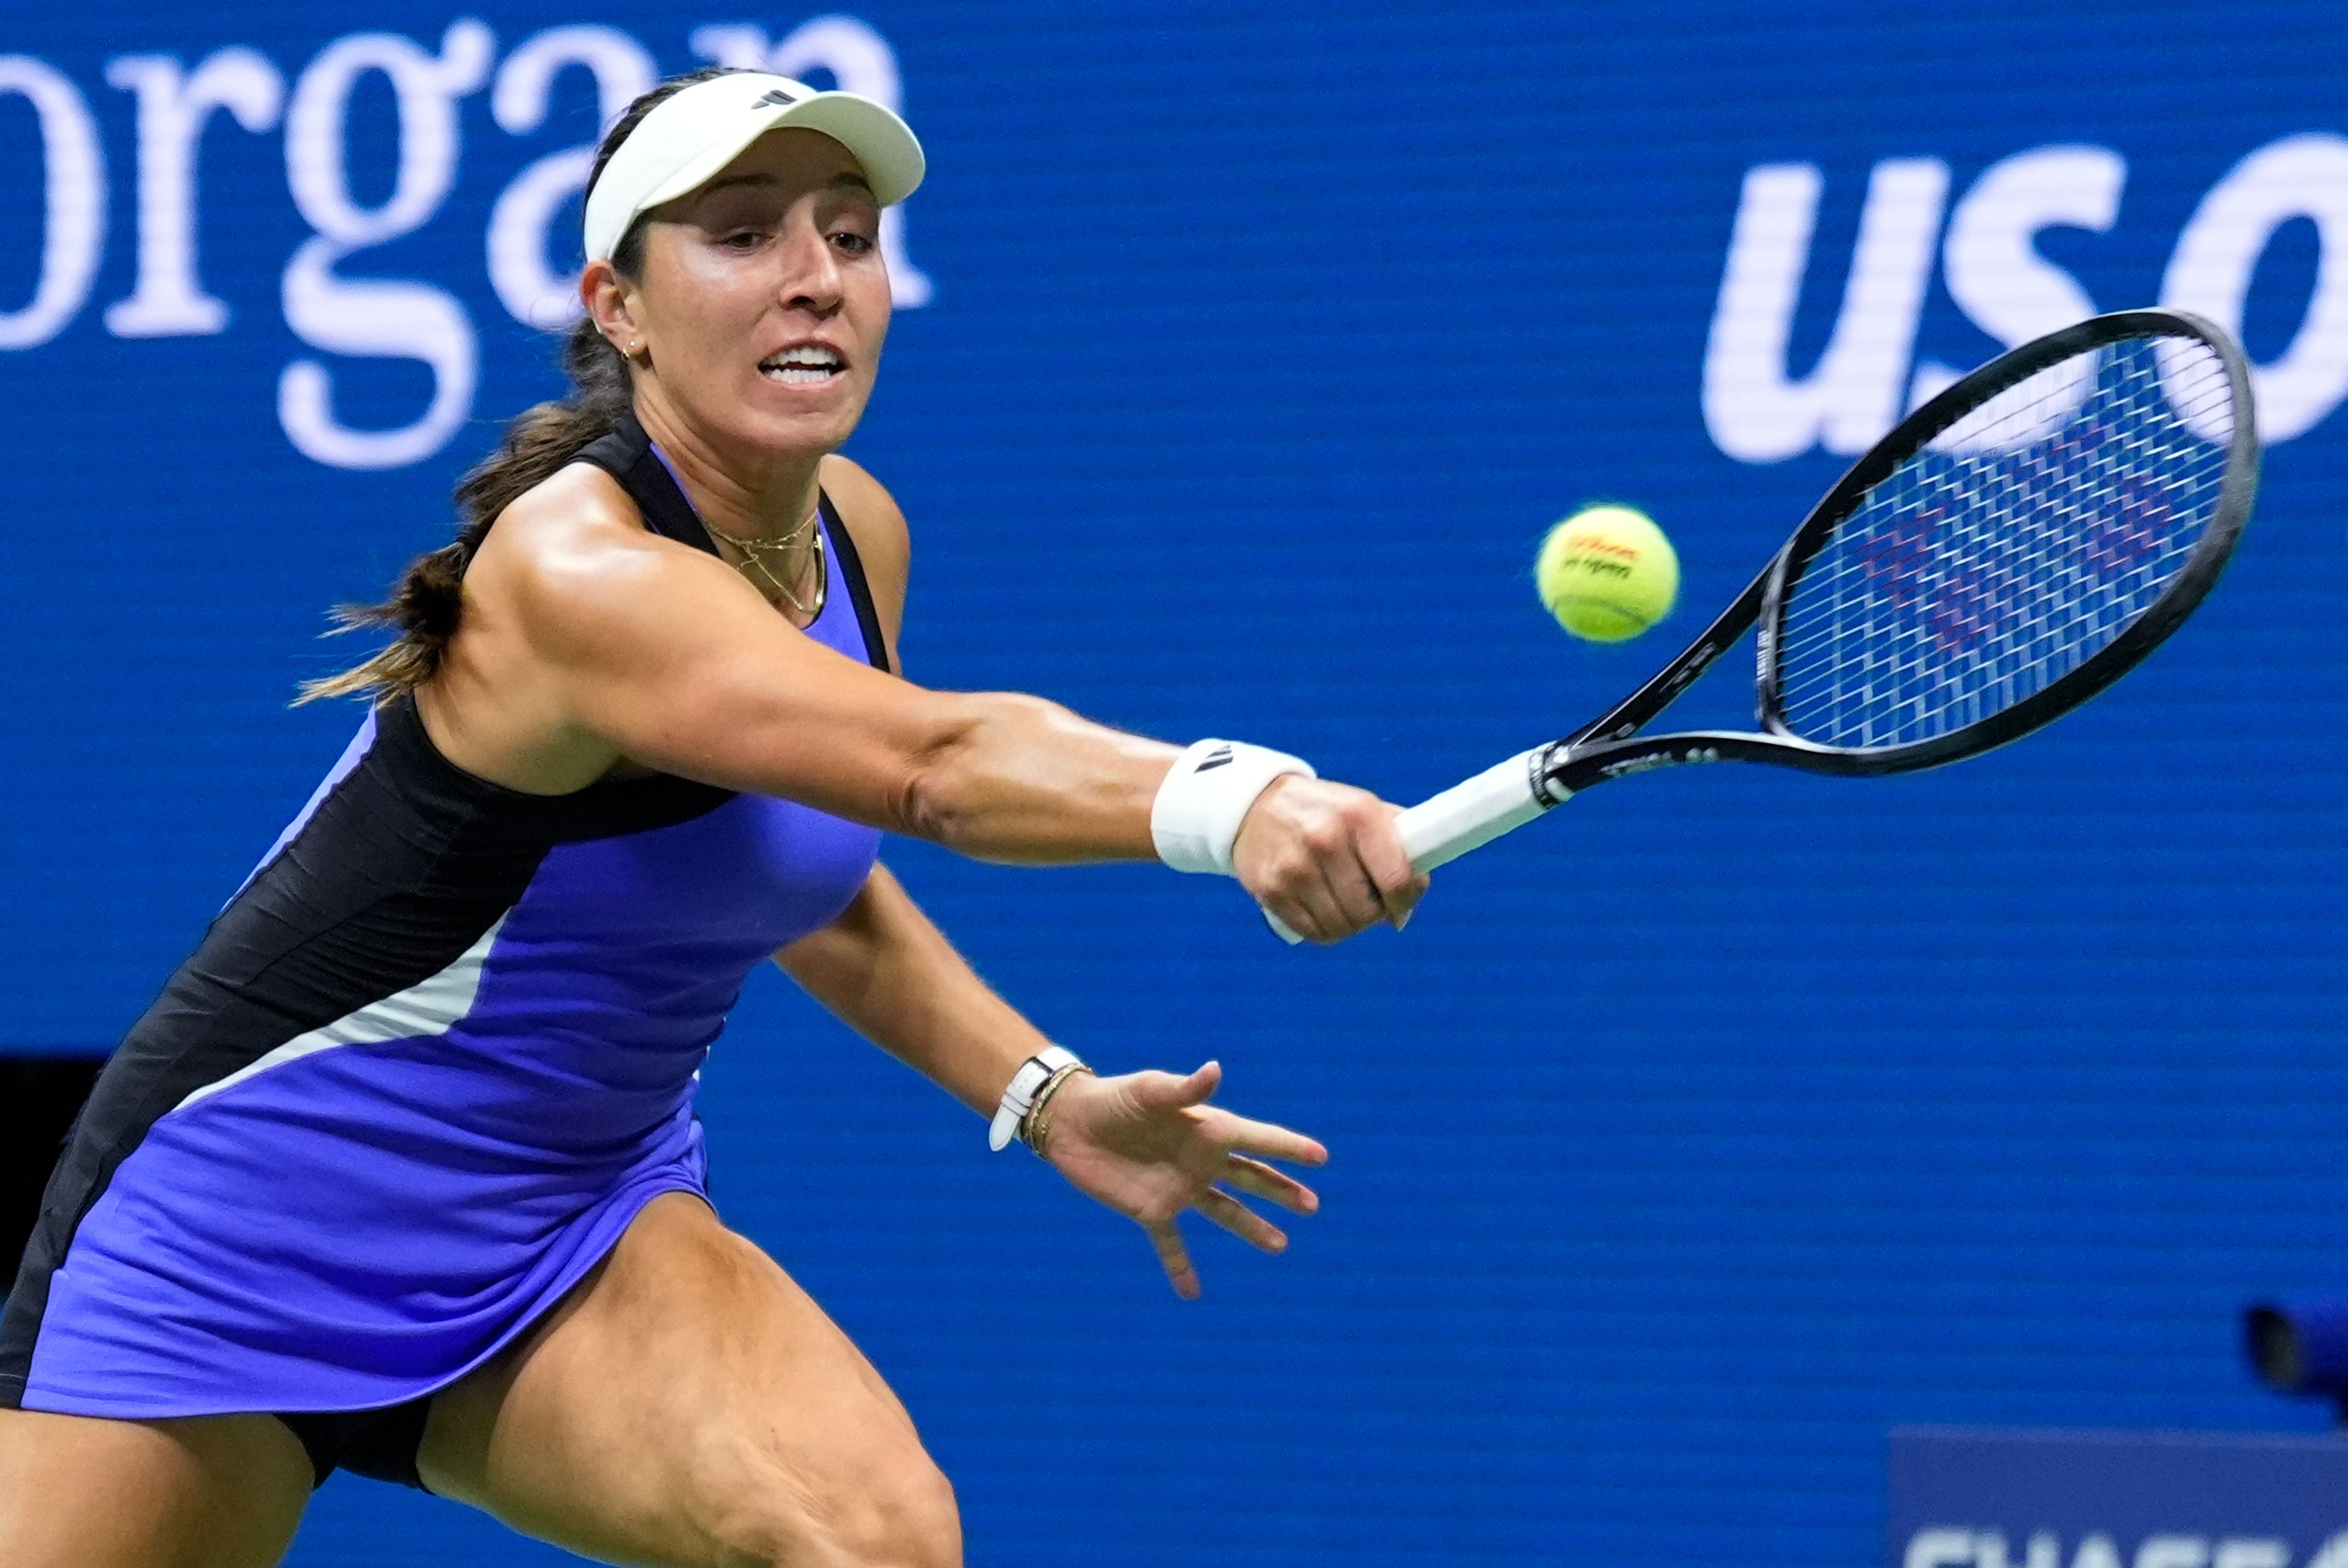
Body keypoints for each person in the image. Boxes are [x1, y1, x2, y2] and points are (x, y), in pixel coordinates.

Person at [0, 67, 1426, 1568]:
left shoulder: (849, 532)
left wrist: (1045, 1093)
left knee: (869, 1538)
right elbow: (929, 767)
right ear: (618, 304)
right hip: (242, 1232)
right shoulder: (577, 574)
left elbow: (786, 868)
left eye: (852, 235)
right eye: (743, 236)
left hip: (571, 1222)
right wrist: (1233, 799)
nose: (816, 278)